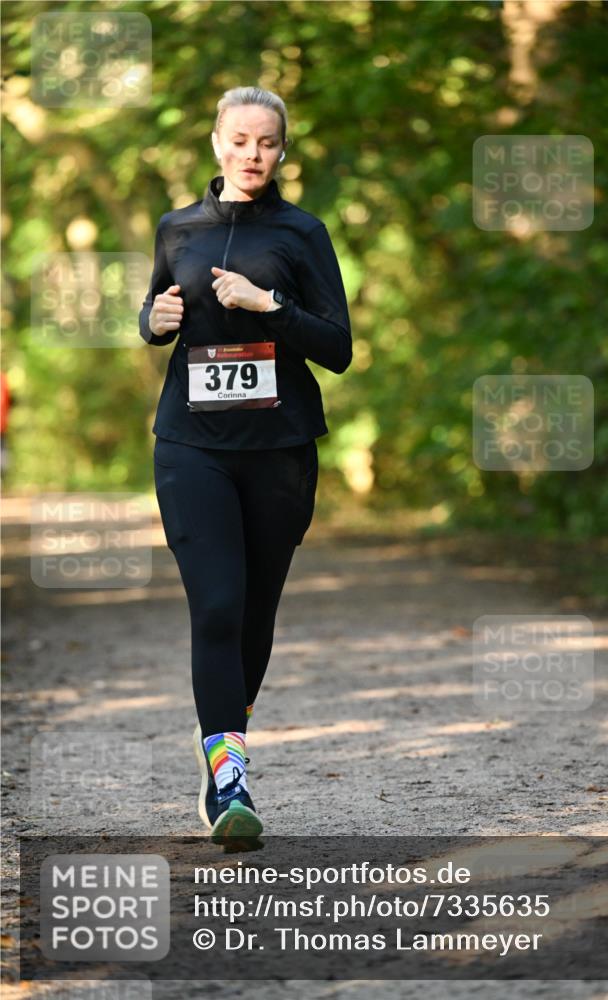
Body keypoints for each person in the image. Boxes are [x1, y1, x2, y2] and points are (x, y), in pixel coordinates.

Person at [139, 86, 353, 842]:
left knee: (256, 612)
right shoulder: (177, 227)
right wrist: (151, 321)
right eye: (239, 139)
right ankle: (230, 783)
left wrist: (272, 309)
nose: (251, 154)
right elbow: (156, 311)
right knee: (219, 606)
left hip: (279, 452)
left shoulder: (302, 233)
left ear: (282, 150)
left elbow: (338, 348)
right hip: (192, 448)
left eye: (266, 142)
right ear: (215, 142)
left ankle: (221, 739)